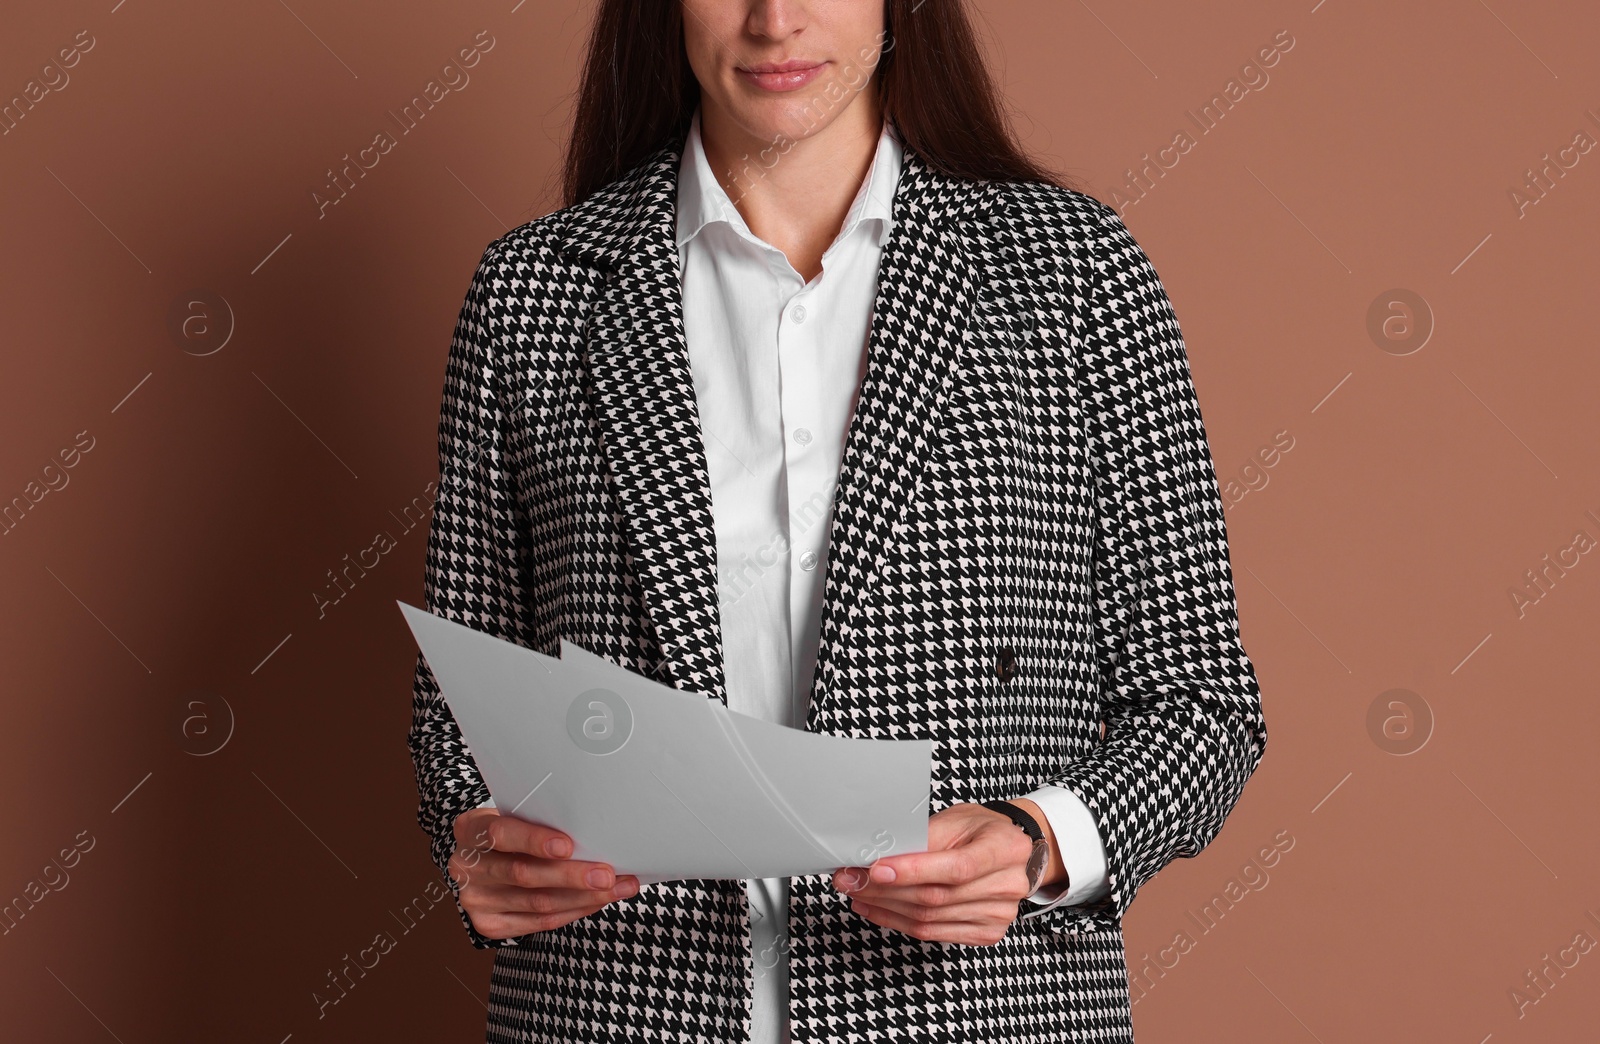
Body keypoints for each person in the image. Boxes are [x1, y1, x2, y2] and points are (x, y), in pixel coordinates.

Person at [408, 1, 1268, 1041]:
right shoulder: (533, 295)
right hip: (619, 1005)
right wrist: (473, 850)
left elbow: (1199, 701)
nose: (776, 20)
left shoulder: (1072, 276)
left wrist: (1038, 840)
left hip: (972, 1013)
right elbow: (463, 703)